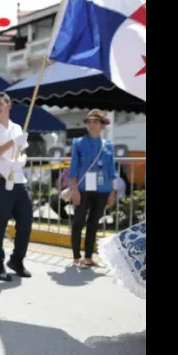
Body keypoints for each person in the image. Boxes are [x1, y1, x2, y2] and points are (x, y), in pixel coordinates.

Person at [0, 92, 32, 281]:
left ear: (9, 106)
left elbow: (23, 150)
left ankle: (17, 260)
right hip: (0, 182)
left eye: (0, 103)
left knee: (26, 222)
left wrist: (22, 159)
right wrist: (12, 142)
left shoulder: (18, 127)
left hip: (19, 182)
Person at [68, 110, 118, 267]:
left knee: (93, 223)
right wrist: (74, 190)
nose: (91, 125)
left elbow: (111, 171)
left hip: (103, 189)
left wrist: (112, 192)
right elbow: (74, 168)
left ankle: (88, 257)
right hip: (83, 188)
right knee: (78, 222)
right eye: (89, 122)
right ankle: (77, 257)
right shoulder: (78, 142)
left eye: (95, 122)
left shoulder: (108, 145)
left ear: (102, 125)